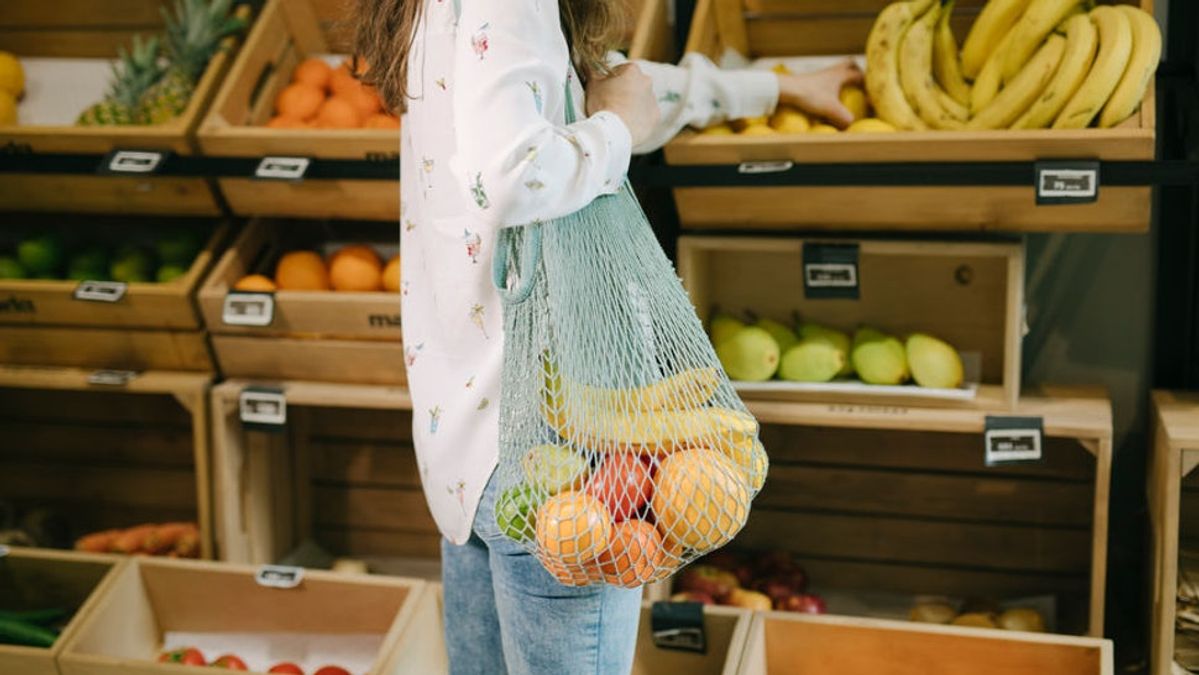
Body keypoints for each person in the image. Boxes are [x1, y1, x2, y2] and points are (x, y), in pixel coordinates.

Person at [353, 2, 860, 672]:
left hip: (468, 449)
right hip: (558, 447)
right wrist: (618, 129)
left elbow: (603, 88)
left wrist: (773, 88)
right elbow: (517, 174)